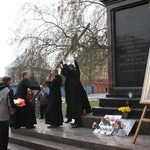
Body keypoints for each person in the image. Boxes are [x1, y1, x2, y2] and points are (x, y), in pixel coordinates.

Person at [61, 57, 83, 128]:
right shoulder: (69, 75)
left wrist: (64, 61)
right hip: (71, 94)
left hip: (75, 94)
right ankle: (75, 121)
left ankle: (78, 122)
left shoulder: (74, 73)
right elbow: (64, 71)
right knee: (72, 108)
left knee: (76, 108)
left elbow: (67, 69)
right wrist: (62, 64)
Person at [0, 76, 16, 150]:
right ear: (8, 81)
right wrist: (16, 105)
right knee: (4, 136)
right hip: (4, 116)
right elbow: (10, 104)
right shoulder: (8, 90)